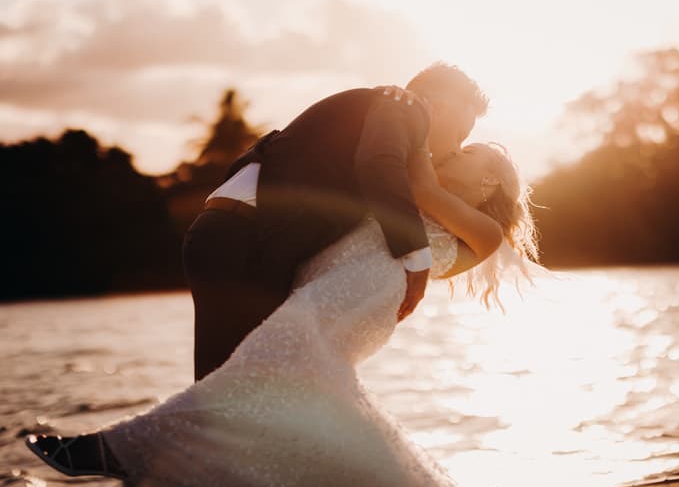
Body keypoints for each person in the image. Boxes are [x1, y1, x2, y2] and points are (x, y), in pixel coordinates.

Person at [26, 143, 540, 487]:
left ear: (491, 181)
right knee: (306, 394)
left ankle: (111, 450)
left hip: (364, 293)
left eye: (472, 154)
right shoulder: (403, 188)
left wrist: (413, 136)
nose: (457, 151)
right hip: (324, 280)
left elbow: (423, 189)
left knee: (264, 365)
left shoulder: (478, 226)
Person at [187, 63, 487, 382]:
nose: (456, 148)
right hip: (240, 241)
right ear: (440, 107)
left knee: (226, 385)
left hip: (232, 237)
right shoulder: (407, 106)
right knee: (232, 388)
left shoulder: (383, 113)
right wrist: (418, 259)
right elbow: (379, 165)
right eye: (459, 134)